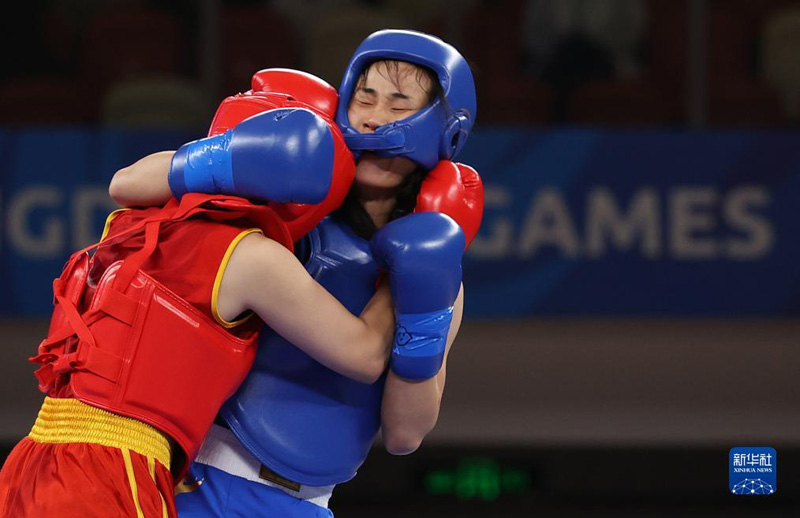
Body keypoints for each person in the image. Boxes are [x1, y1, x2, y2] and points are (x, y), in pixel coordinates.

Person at [0, 70, 412, 518]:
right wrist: (413, 267)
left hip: (35, 460)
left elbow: (124, 180)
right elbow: (365, 354)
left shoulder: (139, 214)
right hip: (112, 474)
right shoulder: (251, 256)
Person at [109, 30, 483, 518]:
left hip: (305, 505)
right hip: (198, 481)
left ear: (445, 128)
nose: (374, 117)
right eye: (364, 98)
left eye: (399, 104)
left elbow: (405, 435)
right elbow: (127, 184)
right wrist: (231, 156)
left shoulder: (435, 271)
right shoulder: (286, 206)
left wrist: (422, 314)